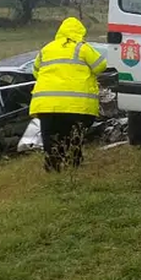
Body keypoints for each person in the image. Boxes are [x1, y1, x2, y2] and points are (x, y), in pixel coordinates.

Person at [31, 17, 106, 171]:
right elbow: (101, 66)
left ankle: (53, 166)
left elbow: (35, 71)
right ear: (80, 32)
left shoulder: (47, 48)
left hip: (46, 105)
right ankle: (74, 165)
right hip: (75, 105)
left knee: (50, 137)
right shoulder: (82, 48)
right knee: (73, 136)